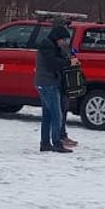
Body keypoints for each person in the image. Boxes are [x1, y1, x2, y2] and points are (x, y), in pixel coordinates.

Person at [35, 20, 78, 154]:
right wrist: (69, 62)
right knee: (56, 115)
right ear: (57, 38)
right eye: (63, 40)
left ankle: (45, 143)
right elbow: (53, 63)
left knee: (48, 115)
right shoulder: (48, 47)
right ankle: (56, 142)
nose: (64, 43)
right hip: (48, 84)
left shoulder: (49, 46)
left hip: (45, 83)